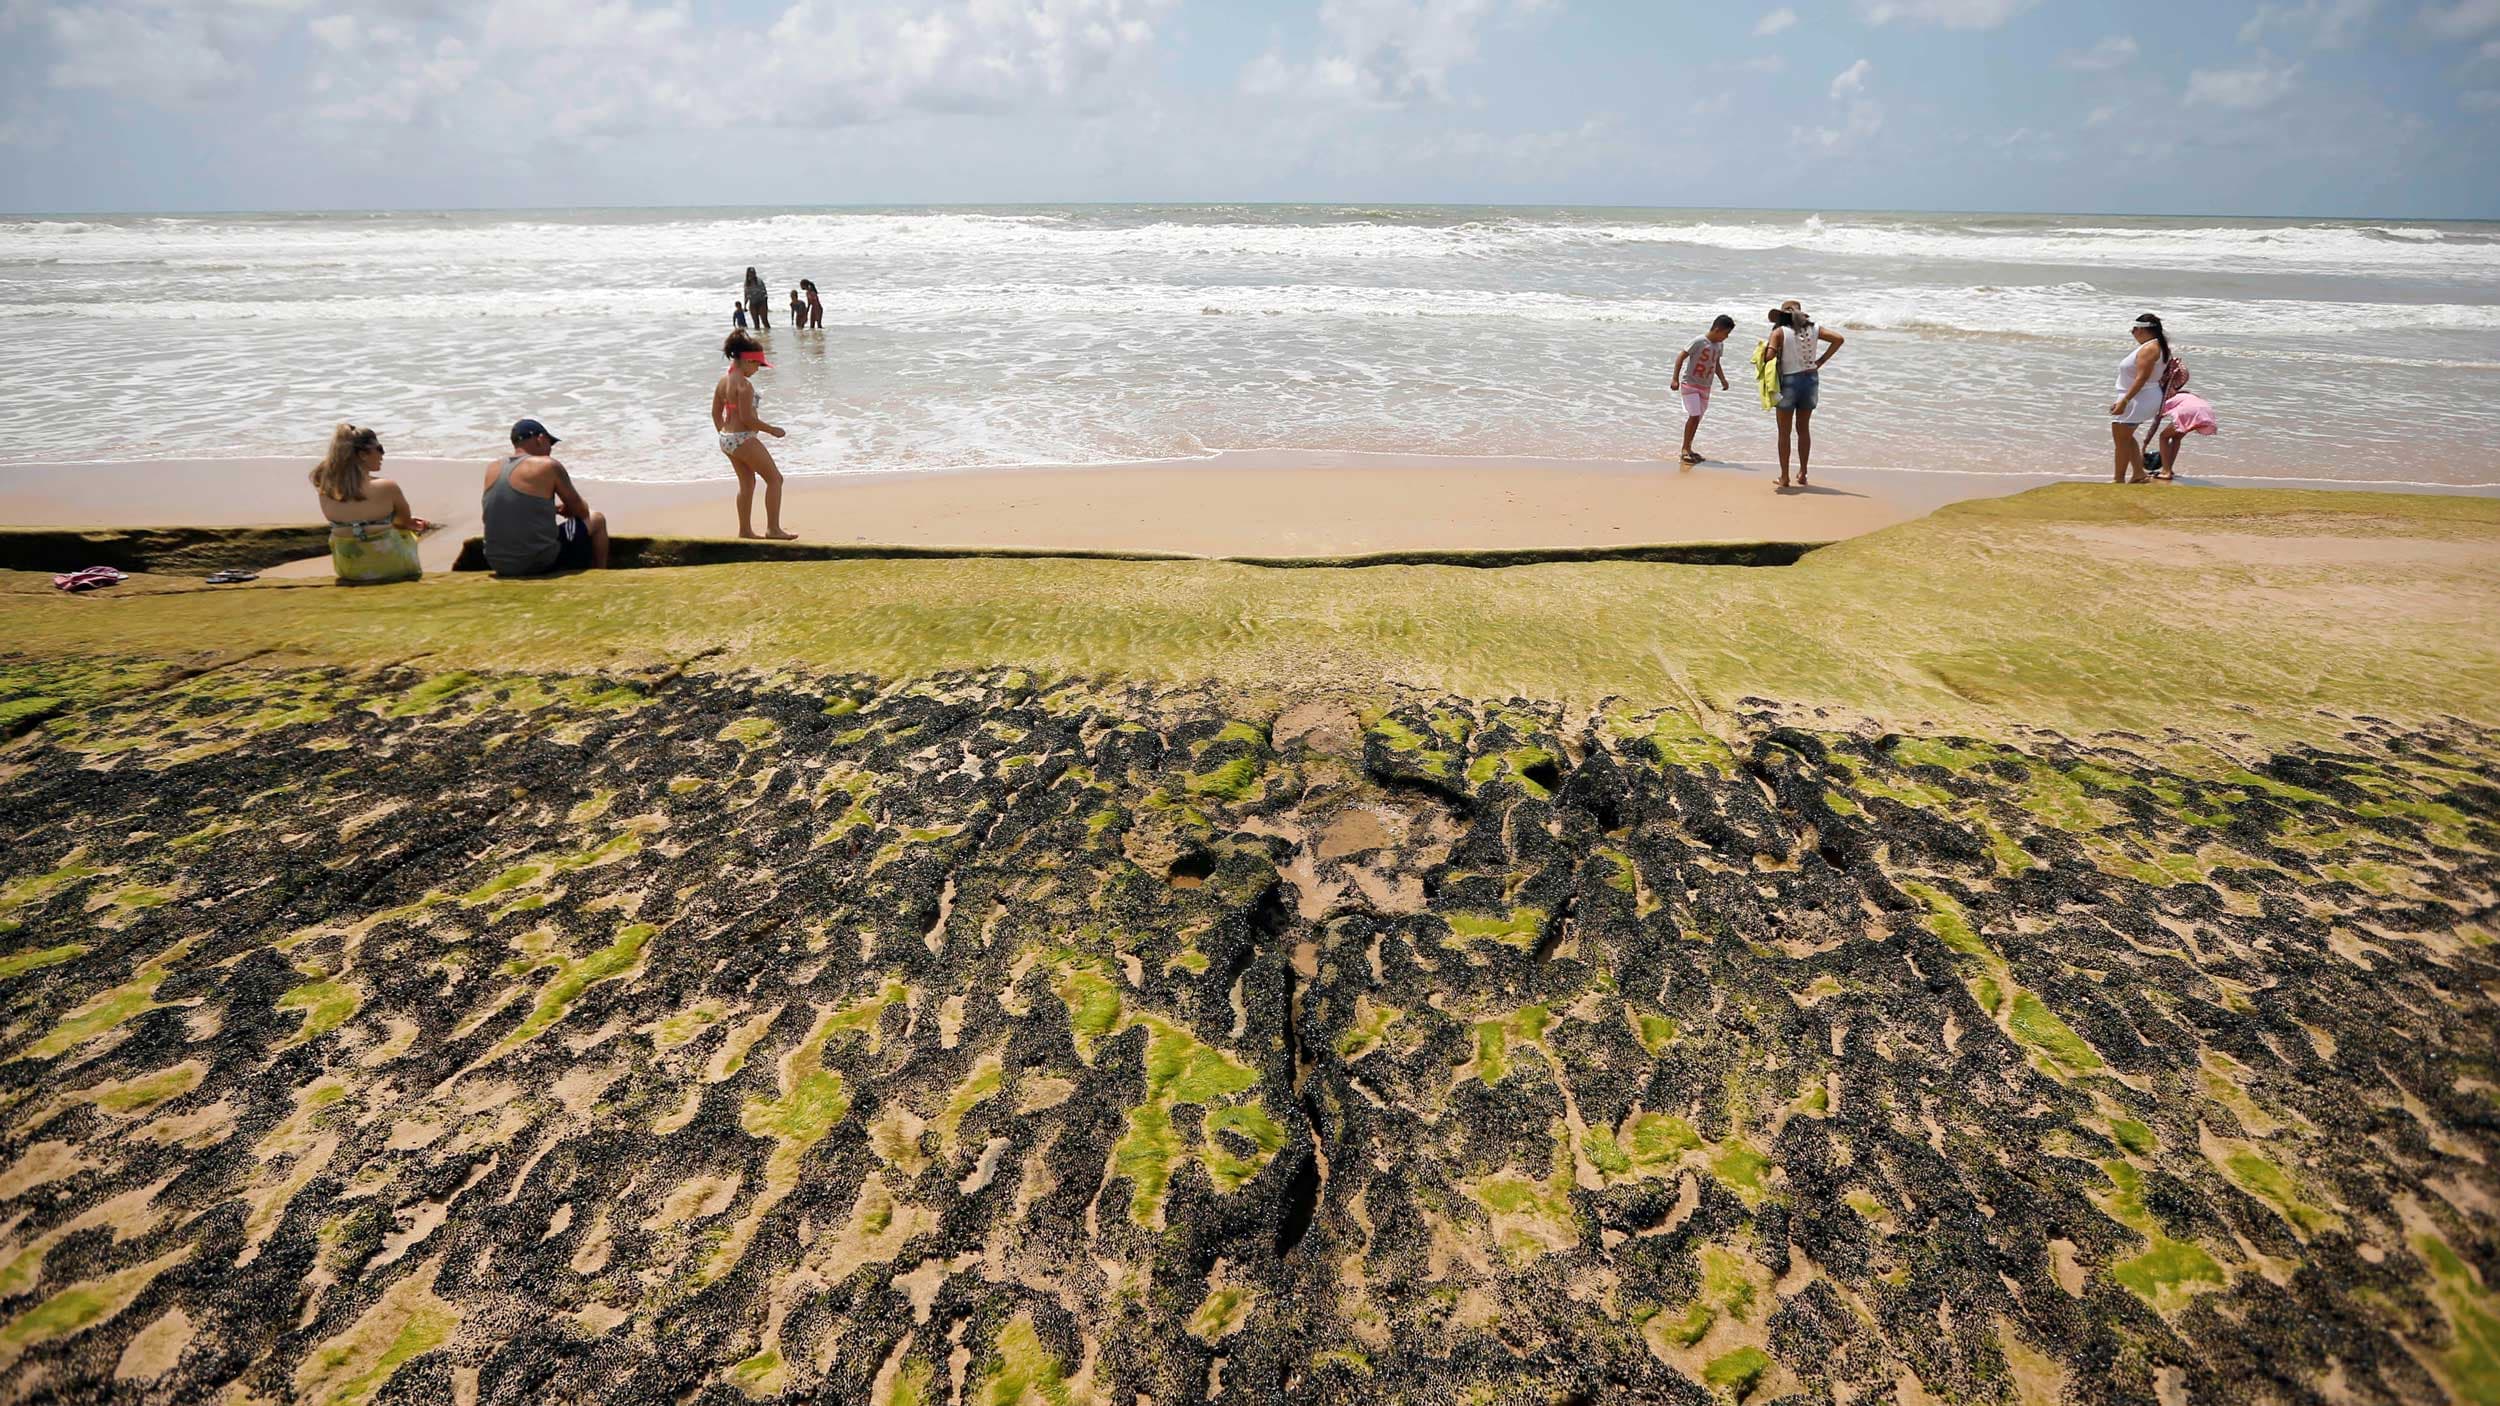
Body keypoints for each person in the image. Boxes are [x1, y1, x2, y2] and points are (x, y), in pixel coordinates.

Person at [481, 418, 608, 576]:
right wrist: (569, 509)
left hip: (497, 562)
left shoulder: (492, 468)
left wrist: (551, 509)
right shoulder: (548, 465)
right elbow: (581, 511)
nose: (550, 450)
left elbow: (508, 507)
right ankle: (601, 575)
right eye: (550, 444)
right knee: (597, 519)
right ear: (540, 439)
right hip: (538, 562)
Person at [311, 423, 427, 584]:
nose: (383, 455)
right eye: (379, 448)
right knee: (407, 531)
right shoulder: (387, 487)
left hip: (349, 571)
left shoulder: (326, 490)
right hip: (392, 568)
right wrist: (410, 524)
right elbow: (403, 522)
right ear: (363, 454)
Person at [712, 330, 796, 540]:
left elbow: (715, 412)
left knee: (747, 484)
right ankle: (773, 529)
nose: (758, 369)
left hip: (726, 439)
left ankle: (745, 531)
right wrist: (772, 430)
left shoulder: (724, 380)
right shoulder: (745, 385)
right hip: (743, 439)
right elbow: (748, 418)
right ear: (748, 360)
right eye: (758, 365)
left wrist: (726, 435)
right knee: (775, 479)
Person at [1764, 300, 1844, 489]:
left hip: (1789, 382)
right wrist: (1821, 361)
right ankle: (1803, 473)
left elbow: (1769, 357)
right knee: (1803, 429)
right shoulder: (1815, 329)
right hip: (1811, 380)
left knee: (1784, 432)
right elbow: (1839, 339)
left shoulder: (1779, 332)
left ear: (1783, 315)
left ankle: (1784, 477)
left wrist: (1765, 349)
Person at [2109, 313, 2169, 484]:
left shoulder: (2150, 348)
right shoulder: (2153, 346)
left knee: (2121, 440)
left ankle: (2118, 479)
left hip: (2140, 398)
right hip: (2139, 397)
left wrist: (2125, 401)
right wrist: (2123, 399)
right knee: (2126, 437)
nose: (2132, 332)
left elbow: (2141, 379)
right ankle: (2138, 474)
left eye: (2134, 329)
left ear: (2144, 330)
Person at [1671, 315, 1736, 464]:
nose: (1726, 337)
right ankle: (1684, 450)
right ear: (1717, 329)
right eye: (1726, 333)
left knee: (1697, 418)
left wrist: (1723, 379)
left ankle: (1688, 447)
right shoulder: (1699, 341)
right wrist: (1675, 378)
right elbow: (1681, 356)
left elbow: (1716, 363)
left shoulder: (1719, 345)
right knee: (1694, 415)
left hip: (1705, 386)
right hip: (1690, 384)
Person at [2153, 390, 2217, 480]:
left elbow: (2158, 417)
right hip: (2205, 412)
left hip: (2190, 411)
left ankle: (2166, 471)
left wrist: (2146, 442)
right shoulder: (2188, 396)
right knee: (2176, 438)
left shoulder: (2170, 399)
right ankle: (2169, 469)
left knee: (2163, 436)